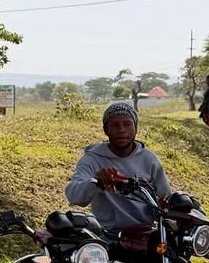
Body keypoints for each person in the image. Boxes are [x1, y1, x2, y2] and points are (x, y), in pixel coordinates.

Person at [64, 99, 172, 235]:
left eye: (127, 124)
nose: (121, 130)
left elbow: (165, 196)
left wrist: (164, 205)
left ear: (136, 128)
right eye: (115, 126)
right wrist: (96, 183)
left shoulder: (149, 159)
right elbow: (73, 195)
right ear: (105, 130)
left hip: (146, 234)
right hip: (107, 236)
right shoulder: (92, 159)